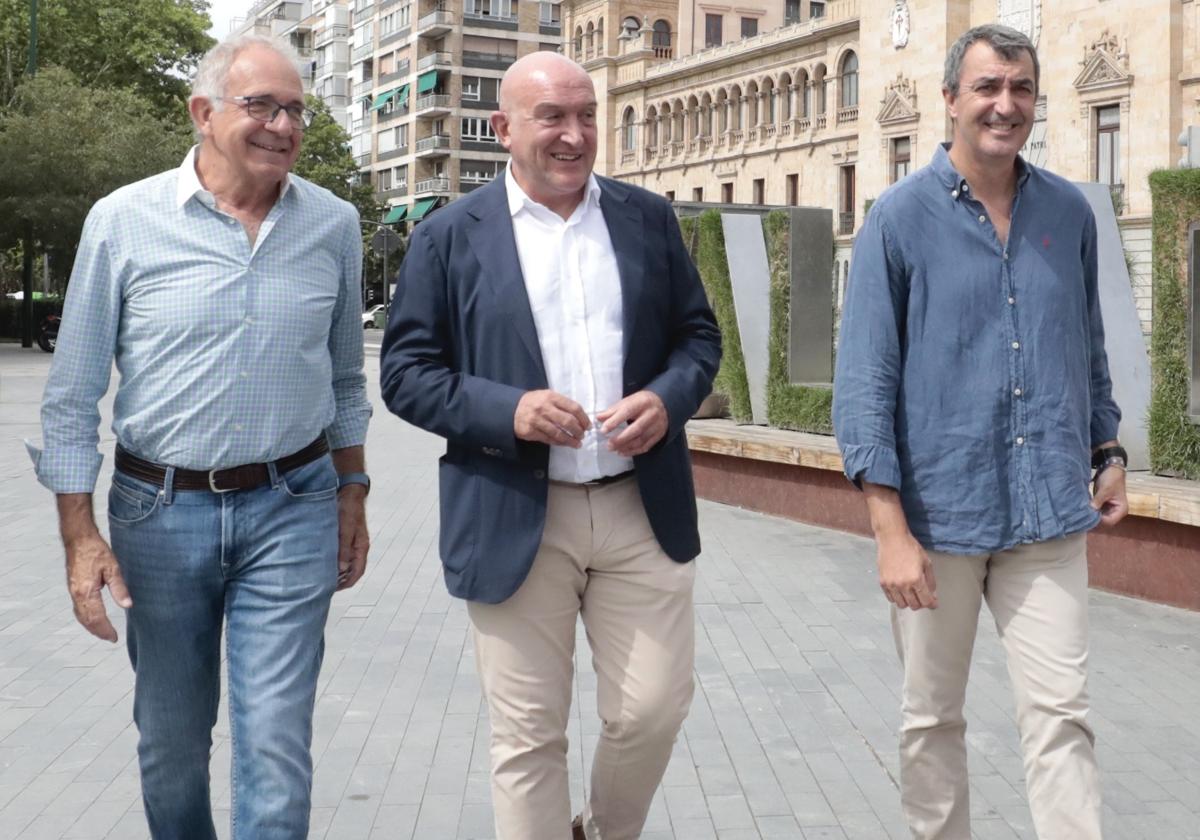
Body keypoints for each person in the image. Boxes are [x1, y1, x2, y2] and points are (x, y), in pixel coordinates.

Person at [28, 35, 371, 840]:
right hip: (159, 516)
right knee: (173, 744)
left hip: (294, 508)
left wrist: (352, 493)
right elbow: (72, 398)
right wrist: (80, 539)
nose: (283, 125)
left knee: (277, 745)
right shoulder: (122, 221)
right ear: (203, 114)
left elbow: (347, 383)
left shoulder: (335, 223)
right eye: (262, 105)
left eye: (295, 110)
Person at [379, 51, 720, 840]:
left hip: (640, 506)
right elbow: (405, 373)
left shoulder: (648, 218)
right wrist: (510, 410)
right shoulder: (446, 237)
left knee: (653, 710)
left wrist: (669, 400)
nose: (575, 135)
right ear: (503, 129)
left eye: (586, 115)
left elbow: (697, 339)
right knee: (528, 737)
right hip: (512, 511)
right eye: (552, 117)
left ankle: (599, 829)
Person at [832, 24, 1127, 840]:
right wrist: (889, 530)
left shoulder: (1067, 212)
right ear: (951, 99)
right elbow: (864, 387)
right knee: (931, 722)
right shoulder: (896, 218)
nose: (1006, 105)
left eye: (1021, 88)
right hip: (938, 520)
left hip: (1048, 518)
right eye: (989, 87)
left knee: (1064, 717)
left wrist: (1108, 452)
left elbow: (1086, 346)